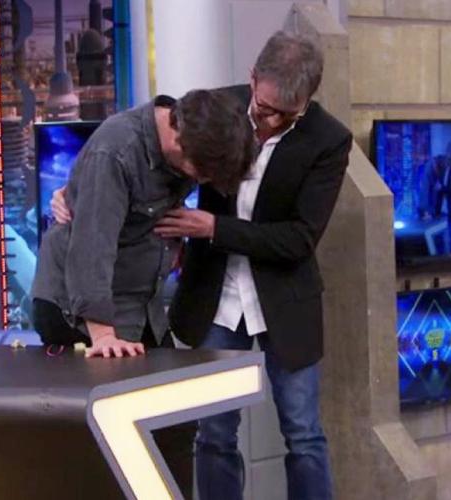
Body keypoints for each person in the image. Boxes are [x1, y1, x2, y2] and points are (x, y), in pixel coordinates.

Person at [154, 31, 352, 500]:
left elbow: (300, 238)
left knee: (303, 435)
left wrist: (215, 228)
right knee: (213, 434)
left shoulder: (328, 139)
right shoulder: (217, 108)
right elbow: (156, 163)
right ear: (252, 78)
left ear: (308, 101)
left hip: (285, 302)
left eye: (288, 114)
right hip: (214, 299)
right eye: (265, 108)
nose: (271, 121)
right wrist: (72, 195)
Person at [32, 89, 254, 498]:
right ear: (178, 142)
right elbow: (91, 248)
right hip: (79, 311)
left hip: (141, 306)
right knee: (104, 445)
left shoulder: (197, 123)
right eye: (201, 173)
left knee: (175, 424)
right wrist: (102, 335)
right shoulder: (116, 152)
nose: (201, 181)